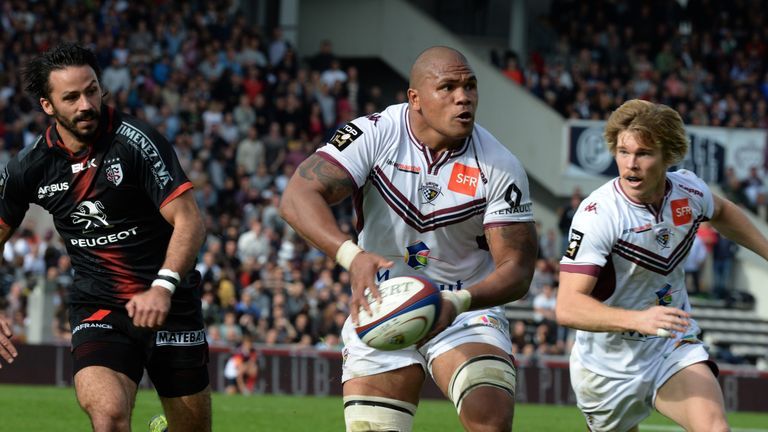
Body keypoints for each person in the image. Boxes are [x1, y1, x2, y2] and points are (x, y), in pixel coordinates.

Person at [279, 46, 537, 431]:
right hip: (383, 303)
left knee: (489, 418)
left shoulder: (500, 166)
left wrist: (459, 300)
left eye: (469, 86)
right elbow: (297, 195)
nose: (463, 97)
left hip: (464, 305)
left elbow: (517, 269)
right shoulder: (374, 133)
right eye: (447, 87)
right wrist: (351, 255)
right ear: (414, 98)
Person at [2, 43, 211, 432]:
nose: (85, 104)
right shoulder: (29, 166)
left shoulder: (137, 142)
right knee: (109, 414)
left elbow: (190, 221)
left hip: (169, 301)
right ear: (48, 106)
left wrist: (163, 287)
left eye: (92, 90)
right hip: (100, 306)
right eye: (71, 97)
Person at [556, 99, 768, 432]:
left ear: (668, 156)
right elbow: (567, 307)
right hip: (605, 367)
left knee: (715, 428)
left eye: (644, 153)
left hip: (669, 345)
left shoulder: (688, 189)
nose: (631, 164)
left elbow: (724, 212)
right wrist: (638, 319)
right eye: (623, 152)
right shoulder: (597, 214)